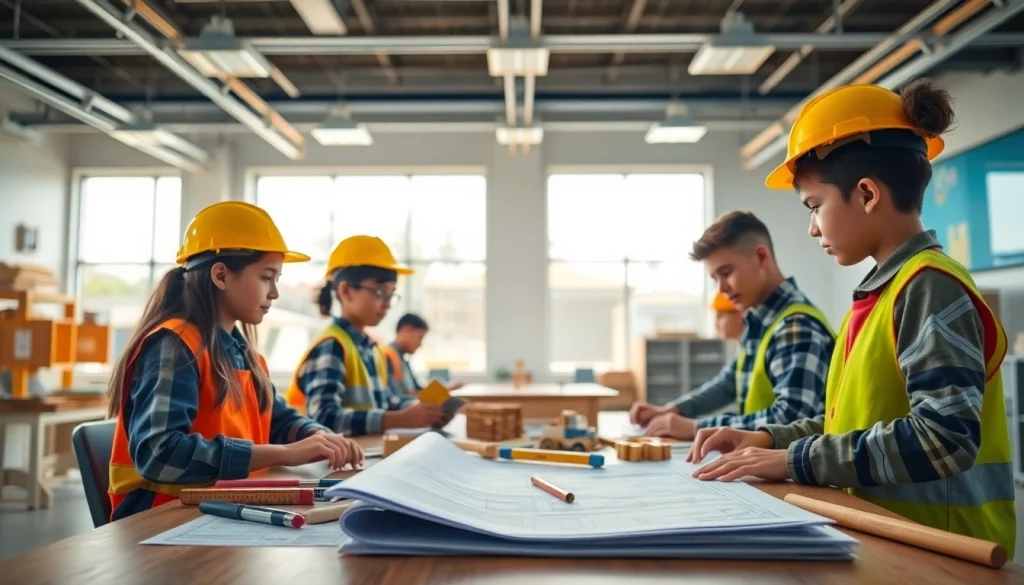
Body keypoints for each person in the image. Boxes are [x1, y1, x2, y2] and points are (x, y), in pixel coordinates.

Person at [689, 80, 1015, 553]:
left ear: (866, 194)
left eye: (815, 206)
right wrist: (765, 437)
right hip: (888, 537)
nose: (812, 226)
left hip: (946, 550)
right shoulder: (883, 293)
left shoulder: (929, 287)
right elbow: (849, 423)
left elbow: (944, 438)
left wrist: (793, 459)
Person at [107, 201, 363, 522]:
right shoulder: (174, 346)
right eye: (267, 277)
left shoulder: (243, 353)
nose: (275, 293)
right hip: (159, 518)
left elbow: (278, 419)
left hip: (218, 510)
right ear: (221, 275)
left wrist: (320, 437)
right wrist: (285, 454)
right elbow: (162, 454)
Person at [630, 211, 835, 440]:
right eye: (715, 279)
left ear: (761, 256)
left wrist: (696, 428)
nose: (722, 289)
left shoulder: (796, 327)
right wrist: (674, 409)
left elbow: (790, 418)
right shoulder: (761, 321)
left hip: (790, 472)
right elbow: (729, 383)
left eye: (726, 273)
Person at [285, 236, 452, 435]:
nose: (388, 303)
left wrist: (424, 411)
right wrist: (399, 419)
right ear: (346, 291)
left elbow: (385, 402)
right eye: (381, 292)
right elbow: (323, 418)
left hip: (362, 455)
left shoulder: (370, 348)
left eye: (391, 294)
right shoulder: (332, 345)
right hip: (325, 463)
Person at [380, 313, 465, 396]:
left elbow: (417, 391)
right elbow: (399, 397)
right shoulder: (387, 357)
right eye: (420, 337)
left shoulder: (402, 360)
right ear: (406, 330)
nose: (420, 344)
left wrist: (447, 389)